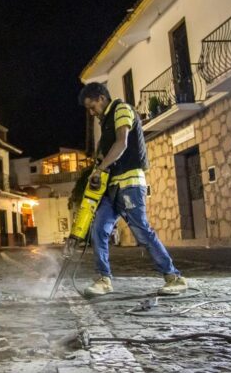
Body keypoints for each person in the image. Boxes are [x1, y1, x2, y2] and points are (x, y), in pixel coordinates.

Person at [78, 83, 188, 297]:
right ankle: (104, 279)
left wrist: (100, 168)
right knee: (99, 230)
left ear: (101, 98)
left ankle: (174, 277)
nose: (92, 113)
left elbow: (122, 143)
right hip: (112, 189)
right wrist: (97, 169)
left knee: (142, 232)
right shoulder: (105, 124)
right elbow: (104, 155)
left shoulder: (122, 110)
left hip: (130, 184)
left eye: (92, 107)